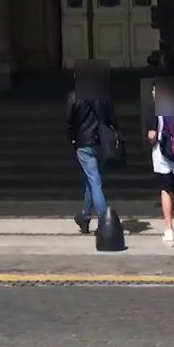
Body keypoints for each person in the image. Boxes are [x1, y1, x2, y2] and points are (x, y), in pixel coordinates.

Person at [66, 63, 119, 235]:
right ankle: (85, 215)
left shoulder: (73, 97)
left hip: (83, 143)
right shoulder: (103, 97)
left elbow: (69, 123)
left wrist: (72, 139)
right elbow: (112, 119)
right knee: (92, 179)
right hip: (100, 142)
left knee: (94, 181)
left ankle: (104, 221)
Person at [148, 78, 174, 245]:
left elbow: (152, 135)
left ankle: (168, 229)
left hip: (162, 154)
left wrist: (150, 140)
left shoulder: (156, 111)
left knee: (166, 191)